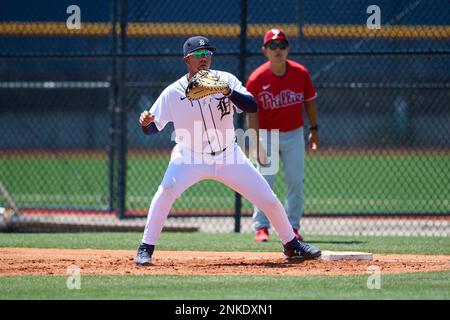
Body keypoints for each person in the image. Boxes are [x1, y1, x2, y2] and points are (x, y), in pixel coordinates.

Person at [135, 35, 321, 265]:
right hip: (190, 157)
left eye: (208, 54)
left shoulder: (225, 80)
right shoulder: (173, 92)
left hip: (228, 155)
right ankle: (145, 248)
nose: (205, 58)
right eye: (199, 55)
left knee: (268, 199)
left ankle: (292, 245)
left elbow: (252, 105)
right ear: (187, 59)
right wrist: (146, 123)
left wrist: (227, 91)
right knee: (166, 191)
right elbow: (153, 128)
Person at [246, 28, 320, 243]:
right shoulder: (257, 79)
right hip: (267, 135)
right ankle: (261, 227)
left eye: (282, 46)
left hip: (294, 133)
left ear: (288, 49)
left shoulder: (300, 73)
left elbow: (310, 103)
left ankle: (292, 227)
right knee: (264, 181)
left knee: (295, 181)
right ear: (265, 50)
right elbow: (252, 113)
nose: (277, 50)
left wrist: (314, 130)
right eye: (273, 46)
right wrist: (255, 141)